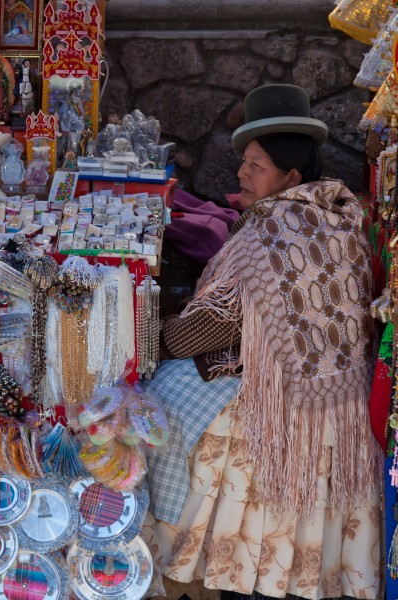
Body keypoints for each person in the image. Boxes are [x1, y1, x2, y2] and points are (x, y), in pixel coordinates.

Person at [142, 84, 382, 600]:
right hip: (344, 411)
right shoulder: (344, 224)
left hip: (280, 416)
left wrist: (151, 335)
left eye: (256, 165)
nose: (241, 175)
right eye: (244, 163)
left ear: (291, 177)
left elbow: (204, 328)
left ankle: (221, 567)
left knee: (163, 402)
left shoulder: (268, 235)